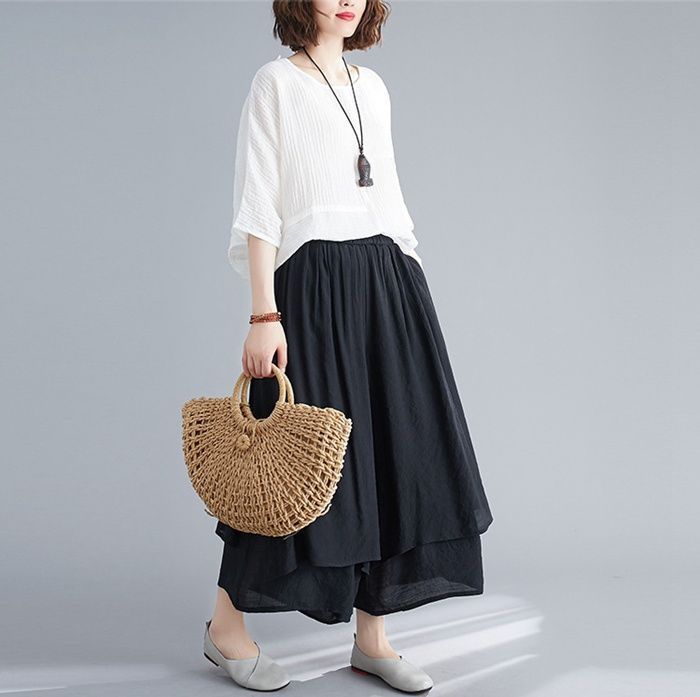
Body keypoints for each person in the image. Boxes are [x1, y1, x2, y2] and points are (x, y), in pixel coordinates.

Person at [203, 0, 494, 691]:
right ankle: (225, 627)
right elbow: (259, 204)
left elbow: (387, 194)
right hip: (312, 287)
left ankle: (373, 637)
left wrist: (411, 280)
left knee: (394, 454)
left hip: (387, 281)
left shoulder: (374, 89)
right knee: (290, 465)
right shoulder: (276, 83)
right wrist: (263, 313)